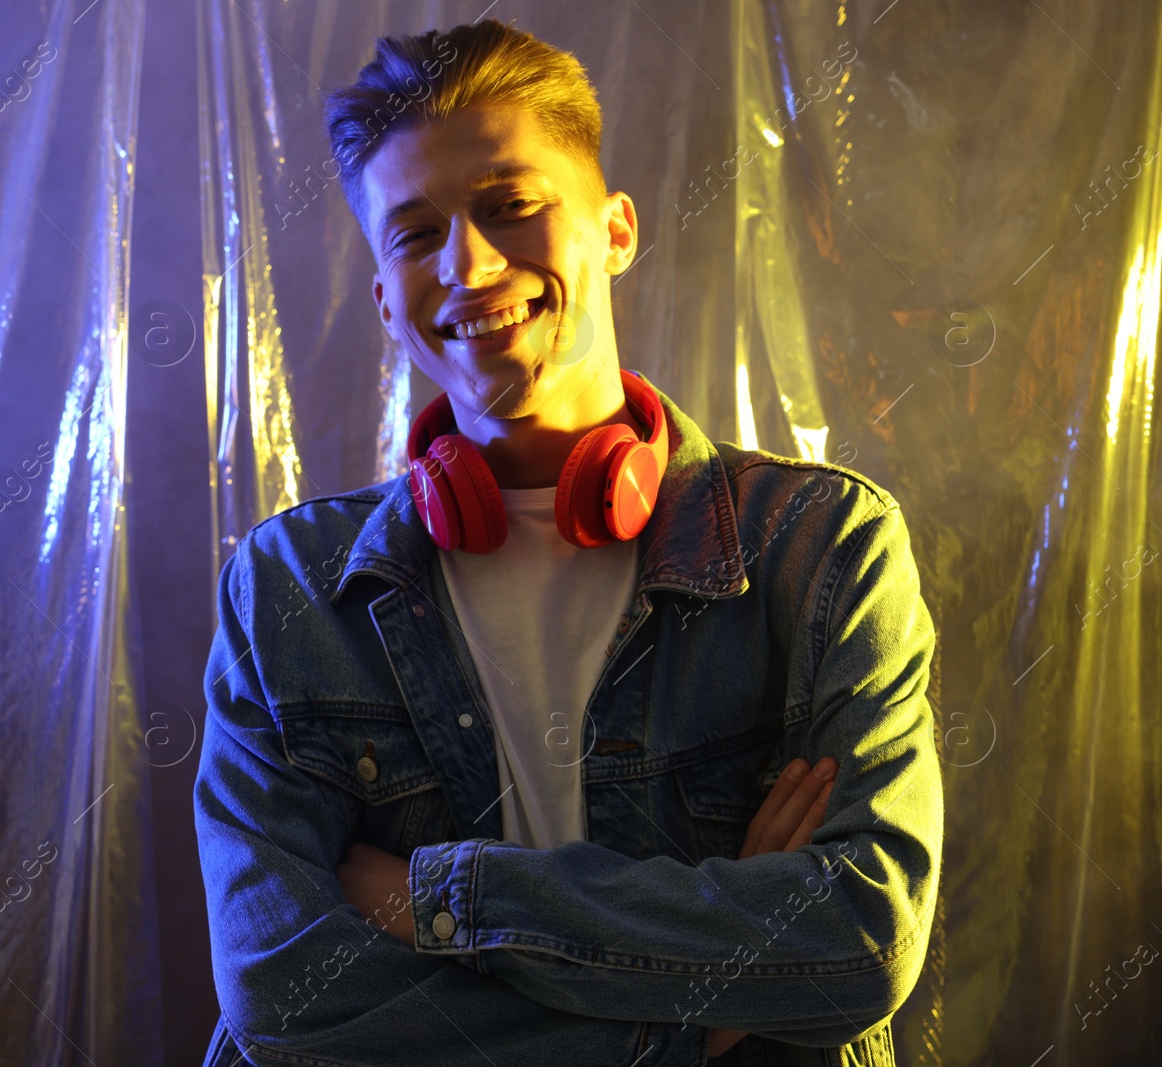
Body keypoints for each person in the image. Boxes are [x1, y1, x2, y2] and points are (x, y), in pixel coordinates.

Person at [194, 19, 941, 1067]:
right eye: (414, 233)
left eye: (509, 205)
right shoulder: (288, 589)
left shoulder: (820, 551)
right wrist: (701, 1012)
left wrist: (431, 899)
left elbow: (859, 940)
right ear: (381, 294)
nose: (468, 262)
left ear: (617, 229)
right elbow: (282, 994)